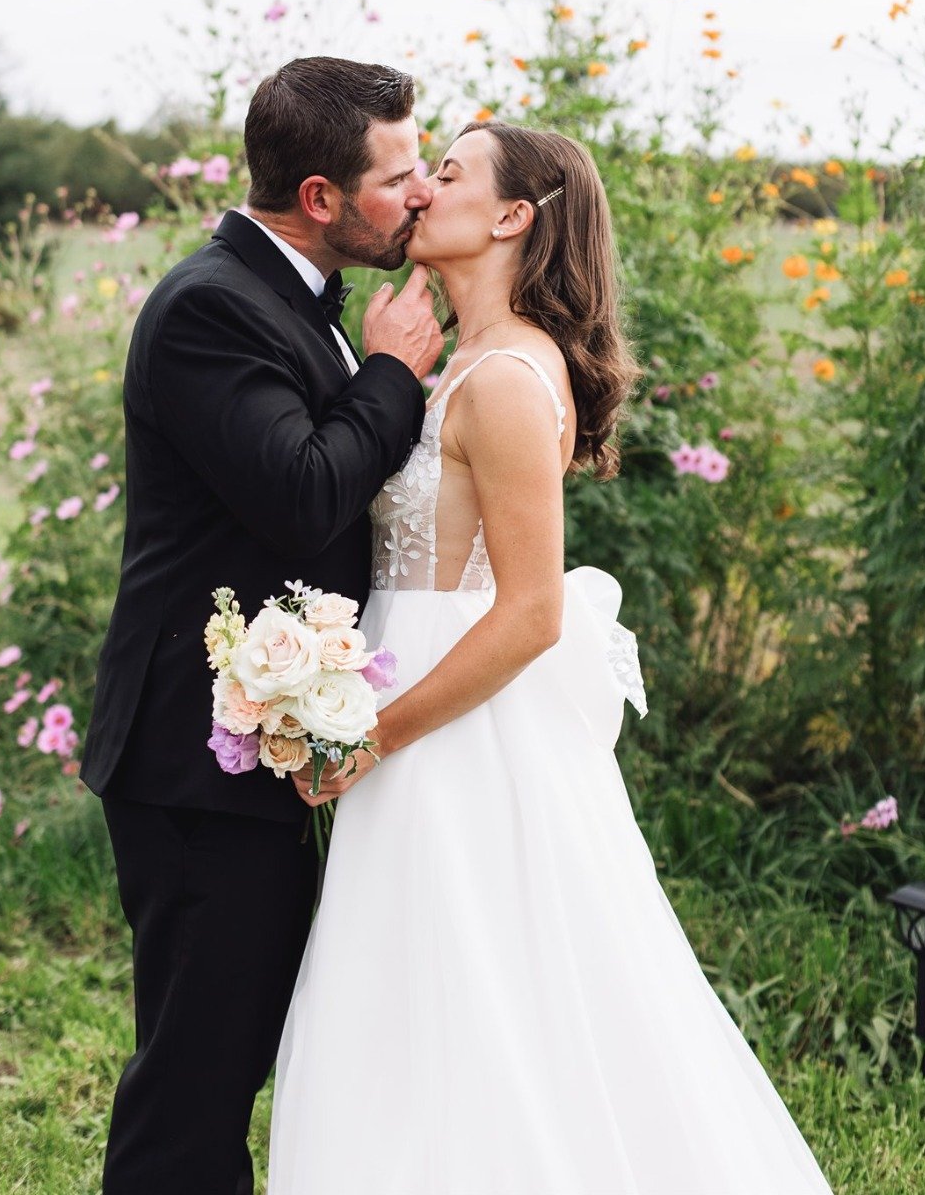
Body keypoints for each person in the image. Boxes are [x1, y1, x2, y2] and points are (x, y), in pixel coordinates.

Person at [268, 119, 834, 1195]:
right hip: (407, 705)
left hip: (457, 729)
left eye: (448, 173)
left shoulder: (512, 384)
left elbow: (530, 613)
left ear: (517, 214)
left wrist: (373, 738)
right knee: (413, 991)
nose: (422, 193)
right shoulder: (455, 362)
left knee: (490, 988)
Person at [80, 56, 443, 1195]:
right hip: (194, 765)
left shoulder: (291, 296)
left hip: (259, 753)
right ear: (322, 198)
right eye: (398, 176)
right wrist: (390, 378)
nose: (423, 192)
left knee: (232, 1061)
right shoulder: (209, 309)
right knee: (191, 1091)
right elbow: (298, 493)